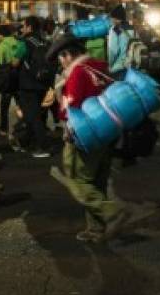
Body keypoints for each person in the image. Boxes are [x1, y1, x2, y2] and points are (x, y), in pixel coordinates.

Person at [46, 34, 130, 243]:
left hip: (84, 135)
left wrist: (65, 122)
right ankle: (95, 229)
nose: (60, 61)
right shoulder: (99, 66)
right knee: (98, 180)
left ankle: (113, 212)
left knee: (78, 181)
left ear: (67, 55)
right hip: (107, 131)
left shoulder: (76, 74)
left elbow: (72, 106)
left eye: (61, 56)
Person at [130, 9, 160, 121]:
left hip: (150, 66)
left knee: (155, 89)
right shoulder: (147, 30)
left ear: (136, 19)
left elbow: (151, 47)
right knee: (156, 88)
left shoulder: (141, 32)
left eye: (133, 18)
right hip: (150, 65)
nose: (132, 21)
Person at [15, 16, 53, 158]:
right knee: (35, 114)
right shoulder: (45, 41)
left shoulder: (25, 42)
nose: (22, 29)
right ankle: (26, 142)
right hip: (43, 82)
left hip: (28, 84)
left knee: (33, 116)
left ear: (29, 27)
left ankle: (43, 147)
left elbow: (15, 61)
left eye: (23, 26)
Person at [106, 5, 133, 80]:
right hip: (132, 66)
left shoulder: (114, 30)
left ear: (116, 18)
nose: (111, 20)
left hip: (119, 67)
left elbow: (113, 51)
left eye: (112, 17)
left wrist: (110, 66)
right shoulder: (132, 28)